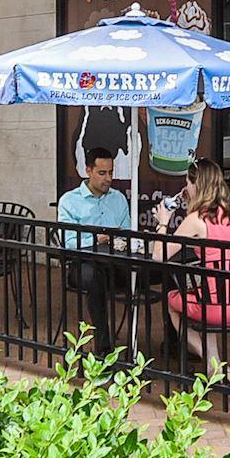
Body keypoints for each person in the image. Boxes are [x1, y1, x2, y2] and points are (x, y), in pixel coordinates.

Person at [152, 158, 230, 367]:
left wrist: (163, 221)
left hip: (216, 307)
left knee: (172, 301)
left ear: (197, 184)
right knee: (204, 293)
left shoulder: (197, 220)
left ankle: (211, 360)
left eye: (187, 182)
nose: (185, 187)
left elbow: (158, 255)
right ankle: (212, 364)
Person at [57, 147, 133, 351]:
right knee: (94, 278)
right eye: (102, 173)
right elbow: (68, 241)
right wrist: (96, 238)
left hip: (115, 263)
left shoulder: (118, 198)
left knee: (164, 274)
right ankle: (103, 347)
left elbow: (127, 232)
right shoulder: (69, 201)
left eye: (111, 172)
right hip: (82, 265)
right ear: (88, 171)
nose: (108, 178)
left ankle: (173, 342)